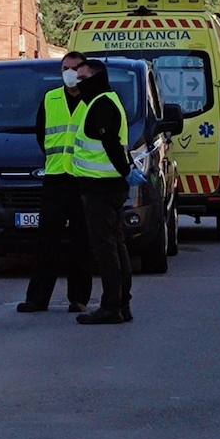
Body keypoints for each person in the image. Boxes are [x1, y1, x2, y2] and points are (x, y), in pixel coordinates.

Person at [71, 59, 147, 326]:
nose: (77, 82)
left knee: (106, 249)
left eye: (82, 78)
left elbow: (111, 143)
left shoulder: (102, 103)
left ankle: (112, 305)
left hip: (101, 187)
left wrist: (125, 170)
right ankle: (121, 303)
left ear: (96, 78)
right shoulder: (99, 101)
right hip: (104, 185)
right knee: (115, 245)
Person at [19, 51, 94, 314]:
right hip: (55, 179)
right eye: (65, 68)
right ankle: (37, 299)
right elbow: (42, 135)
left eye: (74, 68)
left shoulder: (93, 100)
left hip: (83, 180)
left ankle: (79, 298)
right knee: (47, 241)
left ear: (84, 71)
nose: (69, 73)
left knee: (81, 241)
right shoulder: (51, 98)